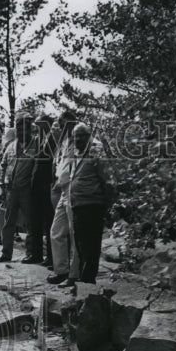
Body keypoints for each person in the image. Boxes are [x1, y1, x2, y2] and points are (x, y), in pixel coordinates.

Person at [68, 122, 115, 285]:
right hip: (78, 204)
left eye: (82, 135)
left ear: (89, 136)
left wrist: (107, 204)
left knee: (91, 244)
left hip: (92, 204)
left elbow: (107, 179)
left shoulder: (96, 151)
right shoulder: (77, 152)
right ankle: (84, 278)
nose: (78, 138)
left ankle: (88, 281)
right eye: (76, 136)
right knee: (81, 244)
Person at [0, 111, 39, 264]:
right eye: (18, 129)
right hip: (11, 189)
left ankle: (31, 253)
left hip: (28, 189)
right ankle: (6, 253)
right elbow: (2, 166)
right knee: (8, 222)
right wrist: (1, 186)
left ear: (29, 129)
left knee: (30, 222)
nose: (21, 132)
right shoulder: (11, 146)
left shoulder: (36, 144)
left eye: (24, 129)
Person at [47, 110, 80, 286]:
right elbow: (60, 164)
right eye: (61, 125)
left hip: (74, 190)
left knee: (74, 233)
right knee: (56, 231)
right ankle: (61, 270)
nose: (63, 128)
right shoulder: (64, 142)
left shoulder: (83, 141)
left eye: (66, 124)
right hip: (62, 189)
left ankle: (73, 275)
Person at [30, 114, 56, 268]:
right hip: (37, 185)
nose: (37, 128)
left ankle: (51, 257)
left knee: (49, 221)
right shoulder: (41, 140)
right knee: (36, 221)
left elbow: (51, 163)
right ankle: (37, 254)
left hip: (46, 185)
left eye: (40, 125)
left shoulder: (52, 140)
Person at [0, 126, 16, 245]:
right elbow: (1, 169)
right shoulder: (8, 149)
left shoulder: (12, 148)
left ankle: (9, 233)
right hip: (8, 183)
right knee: (5, 208)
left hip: (13, 182)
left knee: (11, 209)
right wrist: (1, 185)